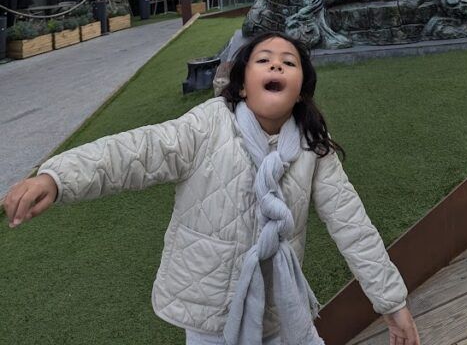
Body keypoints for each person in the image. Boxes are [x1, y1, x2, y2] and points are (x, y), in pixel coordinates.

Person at [2, 32, 420, 345]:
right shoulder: (206, 125)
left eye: (288, 63)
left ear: (300, 92)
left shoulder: (313, 146)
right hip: (209, 316)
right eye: (264, 60)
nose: (276, 66)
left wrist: (392, 303)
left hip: (280, 310)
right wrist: (57, 178)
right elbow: (135, 153)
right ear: (241, 85)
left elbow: (353, 226)